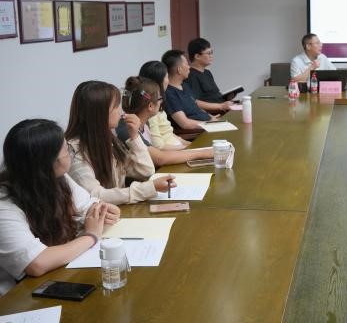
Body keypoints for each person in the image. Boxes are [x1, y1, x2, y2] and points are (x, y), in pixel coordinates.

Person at [0, 119, 120, 296]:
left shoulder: (56, 177)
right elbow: (36, 263)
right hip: (18, 295)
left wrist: (101, 211)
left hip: (58, 274)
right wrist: (91, 236)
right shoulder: (4, 203)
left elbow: (87, 204)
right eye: (66, 149)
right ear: (49, 161)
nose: (70, 153)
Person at [66, 81, 174, 205]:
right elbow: (96, 195)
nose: (121, 111)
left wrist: (135, 137)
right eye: (116, 106)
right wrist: (149, 188)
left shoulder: (109, 139)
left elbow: (146, 171)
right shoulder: (75, 150)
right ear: (100, 113)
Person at [117, 76, 214, 166]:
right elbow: (160, 158)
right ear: (150, 106)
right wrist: (202, 153)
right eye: (159, 98)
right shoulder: (128, 128)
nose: (161, 101)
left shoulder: (144, 122)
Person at [139, 60, 192, 150]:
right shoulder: (151, 110)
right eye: (167, 76)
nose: (168, 80)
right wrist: (187, 149)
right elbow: (159, 146)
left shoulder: (158, 103)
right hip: (172, 153)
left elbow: (168, 134)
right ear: (159, 81)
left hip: (178, 147)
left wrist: (191, 145)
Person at [162, 49, 217, 129]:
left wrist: (211, 117)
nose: (189, 67)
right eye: (187, 64)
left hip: (208, 124)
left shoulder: (185, 86)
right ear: (179, 69)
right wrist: (210, 124)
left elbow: (196, 107)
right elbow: (185, 124)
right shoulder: (169, 93)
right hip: (198, 131)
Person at [185, 38, 234, 112]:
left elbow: (214, 95)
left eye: (212, 53)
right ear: (197, 56)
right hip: (212, 114)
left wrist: (227, 98)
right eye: (208, 53)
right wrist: (220, 106)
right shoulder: (190, 75)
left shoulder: (207, 73)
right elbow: (195, 102)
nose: (211, 56)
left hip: (222, 108)